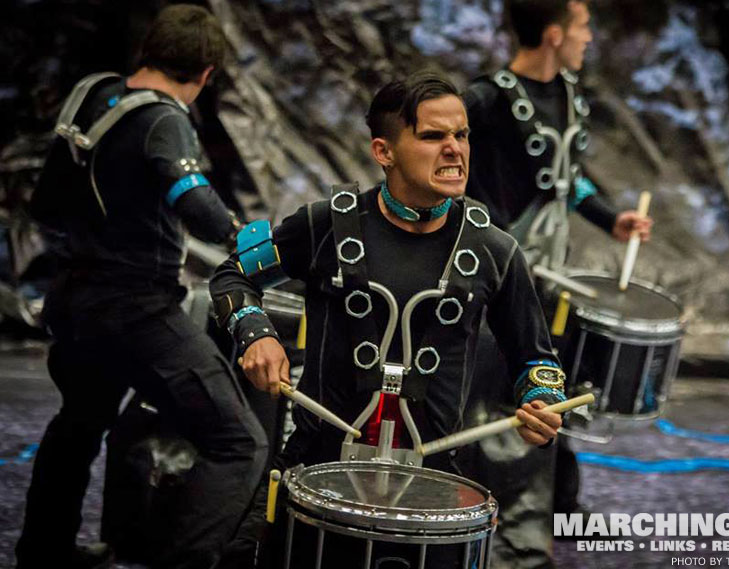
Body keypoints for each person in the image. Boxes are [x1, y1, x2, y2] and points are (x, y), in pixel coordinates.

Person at [210, 70, 566, 568]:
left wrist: (543, 402)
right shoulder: (323, 226)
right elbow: (232, 276)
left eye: (461, 135)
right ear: (384, 152)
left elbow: (537, 360)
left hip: (434, 483)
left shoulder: (496, 250)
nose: (455, 149)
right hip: (315, 469)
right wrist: (256, 333)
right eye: (433, 136)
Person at [17, 5, 268, 569]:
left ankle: (41, 555)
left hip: (73, 299)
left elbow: (43, 202)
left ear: (146, 51)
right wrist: (250, 240)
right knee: (239, 442)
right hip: (135, 308)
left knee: (79, 422)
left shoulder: (91, 94)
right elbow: (196, 205)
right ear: (206, 74)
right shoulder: (165, 119)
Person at [462, 1, 653, 567]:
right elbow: (443, 163)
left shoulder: (570, 94)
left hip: (552, 270)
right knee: (486, 392)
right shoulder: (485, 99)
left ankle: (563, 505)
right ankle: (478, 512)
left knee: (551, 385)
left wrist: (611, 218)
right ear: (552, 34)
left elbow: (569, 181)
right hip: (498, 271)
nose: (589, 38)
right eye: (583, 27)